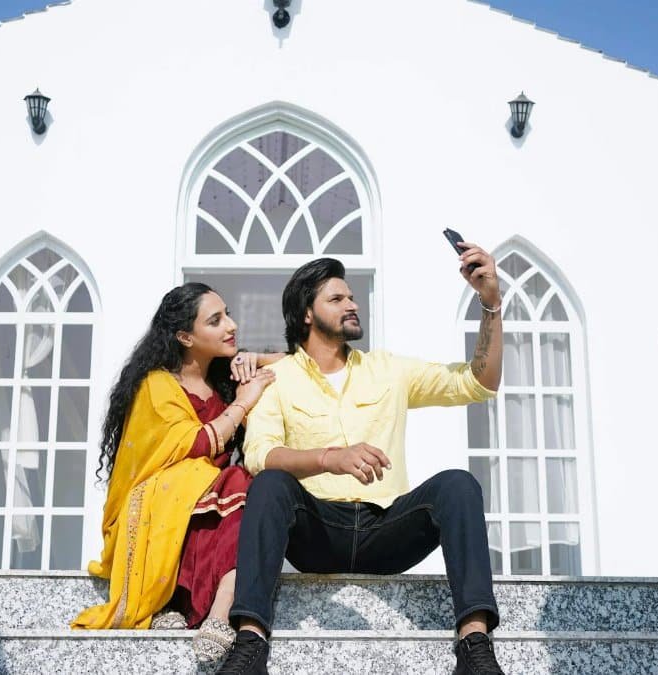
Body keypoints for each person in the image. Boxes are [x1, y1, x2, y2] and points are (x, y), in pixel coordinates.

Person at [215, 244, 507, 675]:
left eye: (351, 297)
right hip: (317, 531)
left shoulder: (388, 368)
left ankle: (475, 647)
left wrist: (490, 304)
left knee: (459, 485)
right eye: (337, 299)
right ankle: (251, 646)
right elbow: (260, 455)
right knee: (270, 484)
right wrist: (330, 458)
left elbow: (477, 382)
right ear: (307, 314)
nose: (352, 304)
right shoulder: (277, 379)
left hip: (386, 528)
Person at [70, 282, 283, 664]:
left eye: (228, 314)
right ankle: (176, 599)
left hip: (212, 500)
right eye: (216, 320)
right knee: (235, 483)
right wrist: (244, 403)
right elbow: (196, 444)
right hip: (162, 504)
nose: (231, 325)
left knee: (249, 488)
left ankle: (221, 607)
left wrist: (256, 359)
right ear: (185, 336)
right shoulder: (157, 385)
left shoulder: (224, 379)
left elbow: (302, 367)